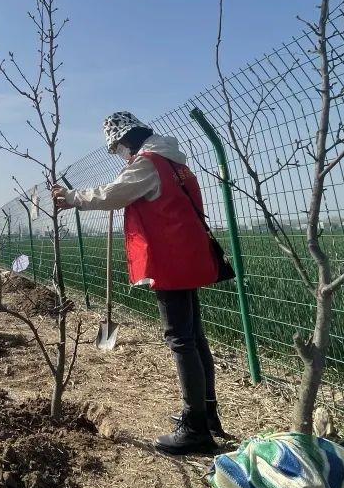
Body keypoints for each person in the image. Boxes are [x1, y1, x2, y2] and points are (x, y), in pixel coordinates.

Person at [53, 111, 227, 455]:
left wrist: (72, 198)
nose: (120, 154)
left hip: (171, 260)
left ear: (127, 140)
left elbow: (113, 195)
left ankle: (196, 429)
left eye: (118, 148)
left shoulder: (149, 164)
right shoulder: (175, 162)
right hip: (189, 256)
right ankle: (207, 415)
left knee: (181, 340)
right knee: (194, 337)